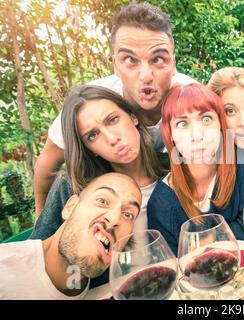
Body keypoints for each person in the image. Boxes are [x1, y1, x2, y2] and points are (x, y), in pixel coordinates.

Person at [33, 2, 196, 218]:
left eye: (158, 59)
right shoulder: (90, 108)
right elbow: (46, 165)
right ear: (116, 65)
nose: (146, 75)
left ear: (173, 64)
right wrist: (41, 216)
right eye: (130, 60)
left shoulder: (191, 99)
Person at [30, 85, 163, 241]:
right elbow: (38, 249)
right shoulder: (72, 186)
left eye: (113, 120)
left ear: (133, 117)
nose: (112, 139)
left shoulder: (174, 170)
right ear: (89, 149)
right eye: (92, 136)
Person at [146, 83, 244, 254]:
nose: (197, 136)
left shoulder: (237, 164)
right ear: (171, 135)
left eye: (206, 120)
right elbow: (174, 265)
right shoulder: (161, 203)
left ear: (220, 125)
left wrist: (206, 241)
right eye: (182, 124)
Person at [0, 172, 142, 299]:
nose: (115, 219)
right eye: (102, 201)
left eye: (128, 214)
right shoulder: (5, 270)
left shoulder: (111, 284)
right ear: (70, 207)